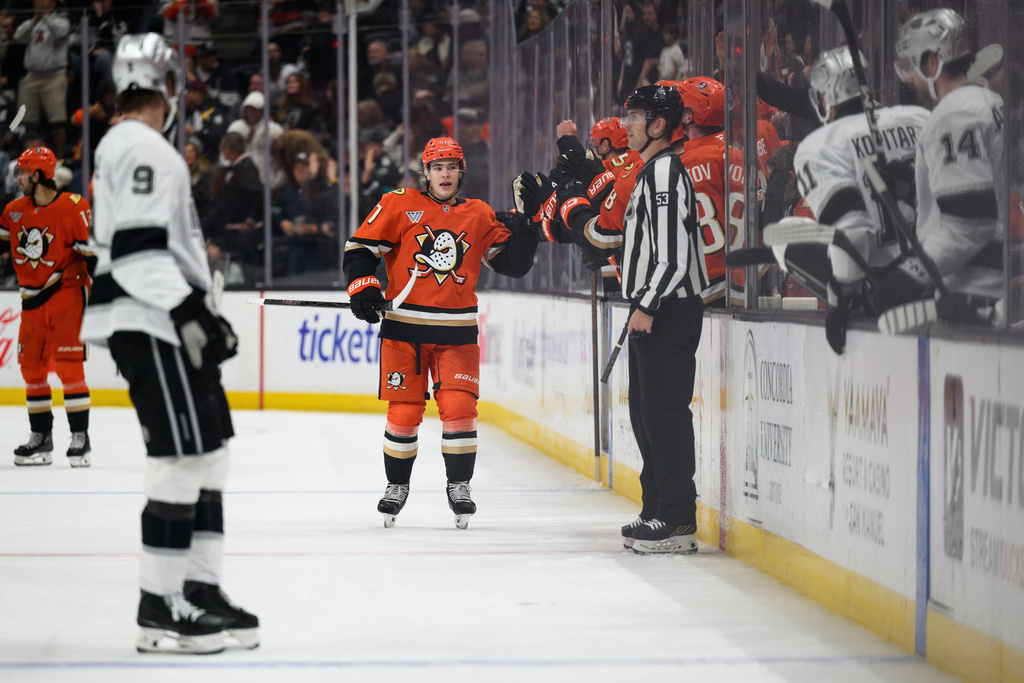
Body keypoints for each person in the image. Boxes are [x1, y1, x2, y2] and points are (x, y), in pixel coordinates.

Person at [79, 33, 257, 655]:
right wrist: (190, 312)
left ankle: (199, 590)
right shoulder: (141, 145)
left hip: (159, 314)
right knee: (180, 460)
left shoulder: (125, 145)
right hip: (152, 318)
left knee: (210, 456)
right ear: (168, 89)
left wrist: (195, 308)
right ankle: (159, 608)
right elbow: (136, 250)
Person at [343, 137, 539, 530]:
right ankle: (396, 486)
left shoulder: (480, 214)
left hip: (457, 333)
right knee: (404, 413)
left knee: (461, 411)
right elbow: (360, 248)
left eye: (452, 166)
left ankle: (460, 486)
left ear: (461, 172)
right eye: (437, 167)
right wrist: (363, 286)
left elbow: (514, 267)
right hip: (404, 333)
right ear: (425, 173)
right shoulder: (399, 203)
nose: (445, 173)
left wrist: (529, 227)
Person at [613, 85, 709, 554]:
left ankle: (676, 519)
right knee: (645, 412)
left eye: (634, 116)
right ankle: (656, 509)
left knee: (664, 414)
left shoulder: (666, 172)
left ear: (657, 125)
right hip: (653, 310)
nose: (625, 124)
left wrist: (647, 304)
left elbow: (671, 258)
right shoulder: (652, 171)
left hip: (667, 310)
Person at [874, 8, 1005, 324]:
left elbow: (969, 222)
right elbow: (981, 189)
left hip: (974, 297)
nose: (909, 77)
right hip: (998, 288)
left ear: (933, 62)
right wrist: (914, 188)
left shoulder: (953, 115)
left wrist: (910, 274)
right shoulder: (990, 103)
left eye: (913, 66)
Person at [793, 47, 928, 352]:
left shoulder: (819, 146)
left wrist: (843, 297)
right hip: (937, 275)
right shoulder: (918, 118)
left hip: (879, 296)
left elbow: (852, 229)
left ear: (824, 97)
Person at [0, 146, 92, 467]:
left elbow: (91, 253)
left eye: (24, 173)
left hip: (66, 294)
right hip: (30, 301)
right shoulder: (14, 210)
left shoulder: (73, 207)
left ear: (37, 175)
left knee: (68, 368)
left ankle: (80, 437)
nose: (19, 179)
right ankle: (41, 438)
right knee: (33, 371)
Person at [13, 0, 71, 159]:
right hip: (31, 76)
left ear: (52, 3)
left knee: (57, 121)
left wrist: (45, 16)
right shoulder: (31, 23)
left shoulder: (62, 21)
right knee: (29, 121)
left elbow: (61, 32)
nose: (39, 3)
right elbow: (18, 36)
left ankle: (58, 160)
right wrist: (36, 20)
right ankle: (29, 158)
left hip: (54, 76)